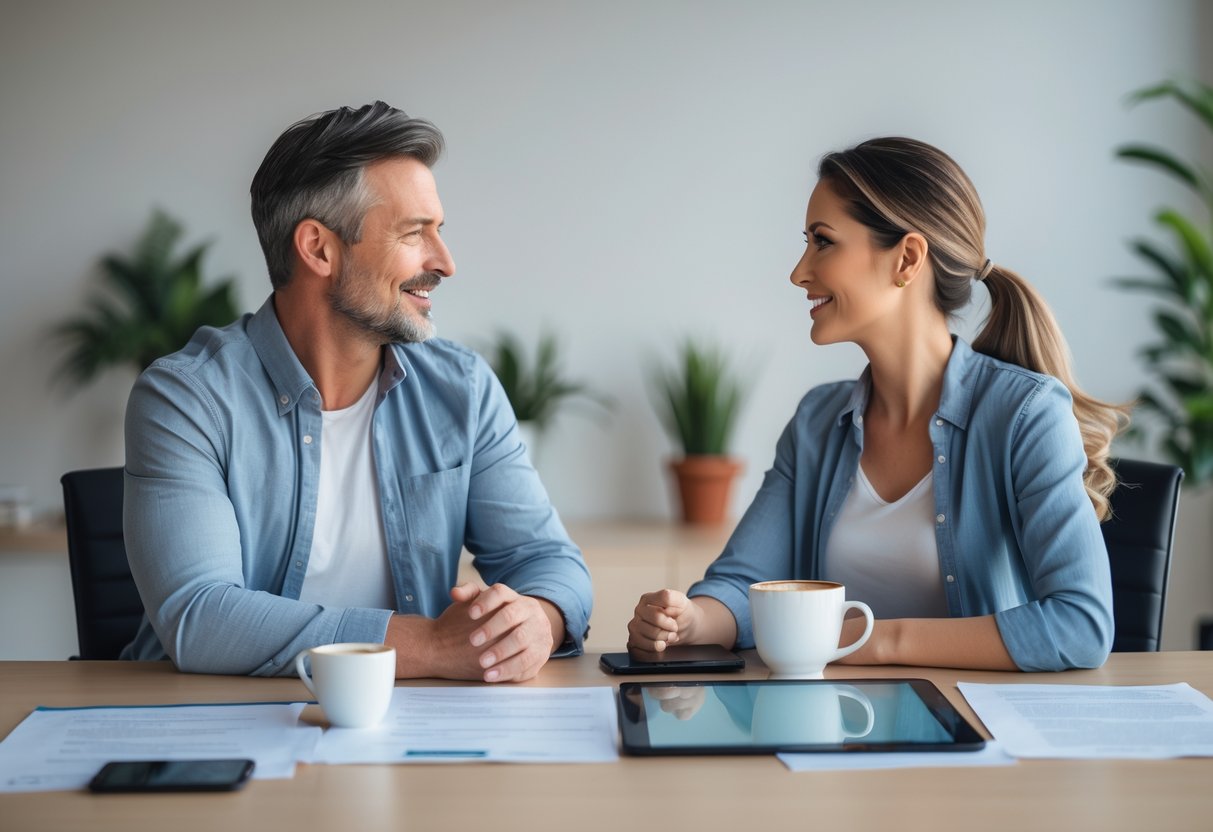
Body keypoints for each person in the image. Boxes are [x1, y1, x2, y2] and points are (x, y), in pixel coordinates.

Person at [121, 101, 592, 681]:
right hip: (212, 724)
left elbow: (549, 563)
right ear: (319, 248)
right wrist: (432, 646)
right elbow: (201, 617)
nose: (444, 261)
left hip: (409, 723)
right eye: (414, 234)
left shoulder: (461, 389)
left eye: (439, 232)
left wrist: (535, 621)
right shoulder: (186, 399)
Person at [628, 137, 1126, 673]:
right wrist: (692, 621)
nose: (799, 272)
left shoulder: (1026, 415)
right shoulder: (818, 423)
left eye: (823, 242)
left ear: (907, 259)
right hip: (831, 734)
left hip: (978, 737)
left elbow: (1081, 625)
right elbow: (744, 582)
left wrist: (870, 641)